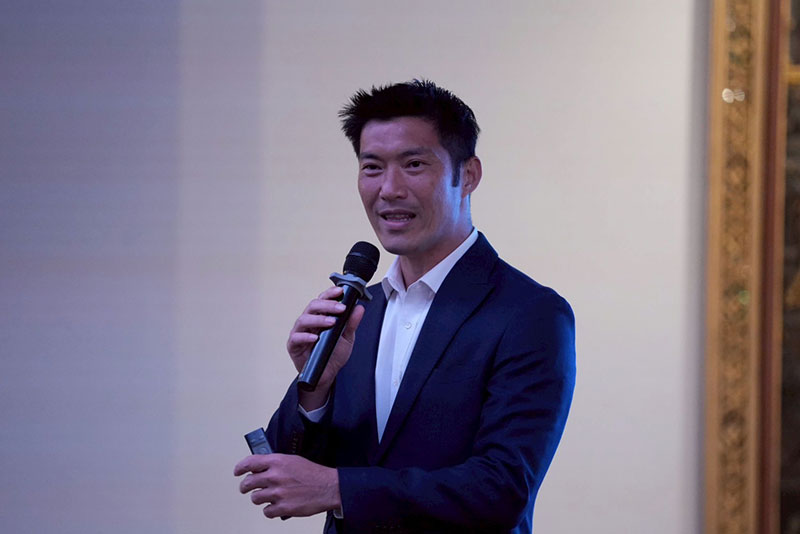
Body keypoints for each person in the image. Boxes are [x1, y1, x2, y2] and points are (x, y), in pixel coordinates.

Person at [234, 79, 576, 533]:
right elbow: (287, 475)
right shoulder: (359, 311)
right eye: (372, 167)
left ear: (468, 175)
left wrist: (338, 489)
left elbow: (502, 489)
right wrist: (316, 387)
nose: (389, 189)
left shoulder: (529, 314)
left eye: (414, 164)